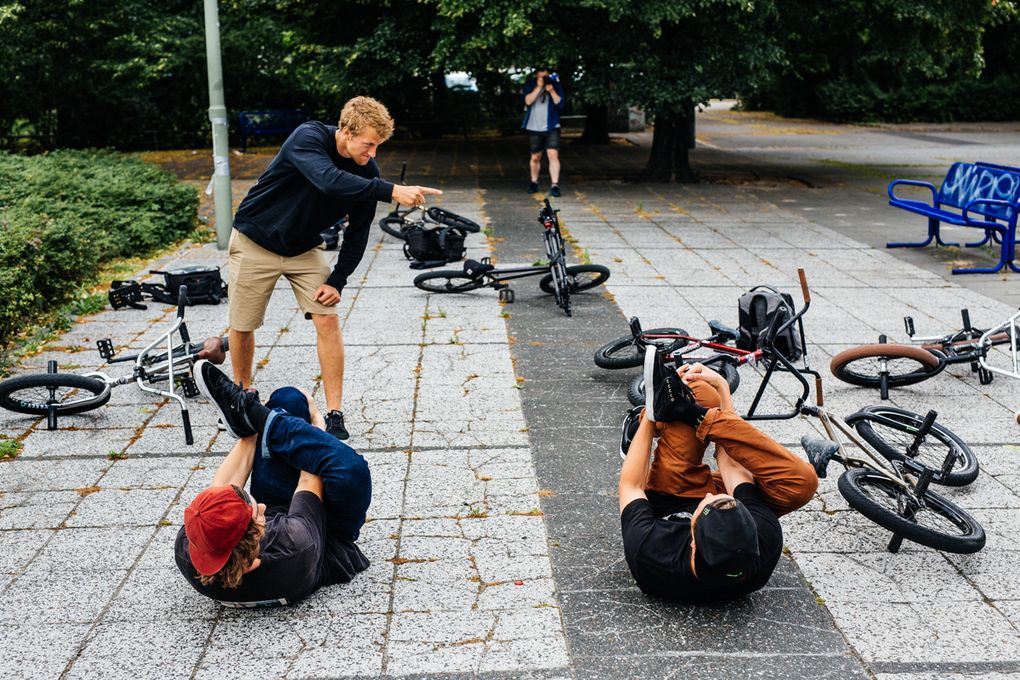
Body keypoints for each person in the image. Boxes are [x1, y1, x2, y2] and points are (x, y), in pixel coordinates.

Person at [228, 96, 442, 440]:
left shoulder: (368, 173)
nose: (372, 153)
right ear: (345, 131)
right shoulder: (308, 138)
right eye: (368, 144)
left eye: (378, 146)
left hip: (303, 249)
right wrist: (392, 191)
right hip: (256, 240)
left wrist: (338, 281)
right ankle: (241, 395)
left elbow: (357, 235)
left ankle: (334, 413)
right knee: (242, 323)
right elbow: (328, 180)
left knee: (327, 319)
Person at [617, 348, 818, 603]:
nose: (711, 493)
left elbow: (631, 485)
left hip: (671, 491)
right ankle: (691, 413)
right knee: (803, 482)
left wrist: (650, 411)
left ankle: (649, 422)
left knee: (698, 391)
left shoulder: (649, 552)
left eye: (708, 503)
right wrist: (723, 388)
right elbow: (732, 467)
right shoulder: (764, 540)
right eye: (725, 500)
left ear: (692, 537)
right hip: (726, 507)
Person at [174, 359, 371, 607]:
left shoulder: (189, 551)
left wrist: (251, 427)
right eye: (256, 511)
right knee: (350, 468)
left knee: (286, 400)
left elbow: (218, 496)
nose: (262, 508)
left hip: (283, 520)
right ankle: (262, 416)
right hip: (325, 532)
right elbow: (310, 476)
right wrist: (318, 429)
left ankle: (250, 418)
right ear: (256, 542)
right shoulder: (295, 543)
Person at [521, 67, 566, 197]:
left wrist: (551, 90)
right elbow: (528, 101)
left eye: (546, 75)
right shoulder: (530, 85)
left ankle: (555, 185)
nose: (544, 77)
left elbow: (560, 104)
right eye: (541, 75)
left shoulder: (555, 85)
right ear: (537, 75)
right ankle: (534, 182)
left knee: (553, 154)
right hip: (534, 126)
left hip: (552, 126)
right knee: (535, 156)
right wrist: (538, 87)